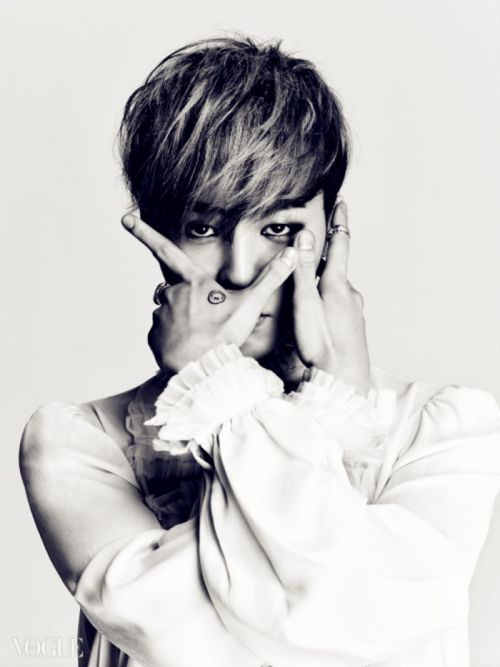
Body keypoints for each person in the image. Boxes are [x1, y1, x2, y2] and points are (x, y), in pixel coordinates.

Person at [19, 37, 500, 667]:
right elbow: (203, 653)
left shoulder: (442, 433)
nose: (242, 270)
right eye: (204, 228)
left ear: (330, 233)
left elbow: (377, 625)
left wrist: (272, 399)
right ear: (159, 236)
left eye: (279, 228)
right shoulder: (83, 446)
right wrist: (236, 390)